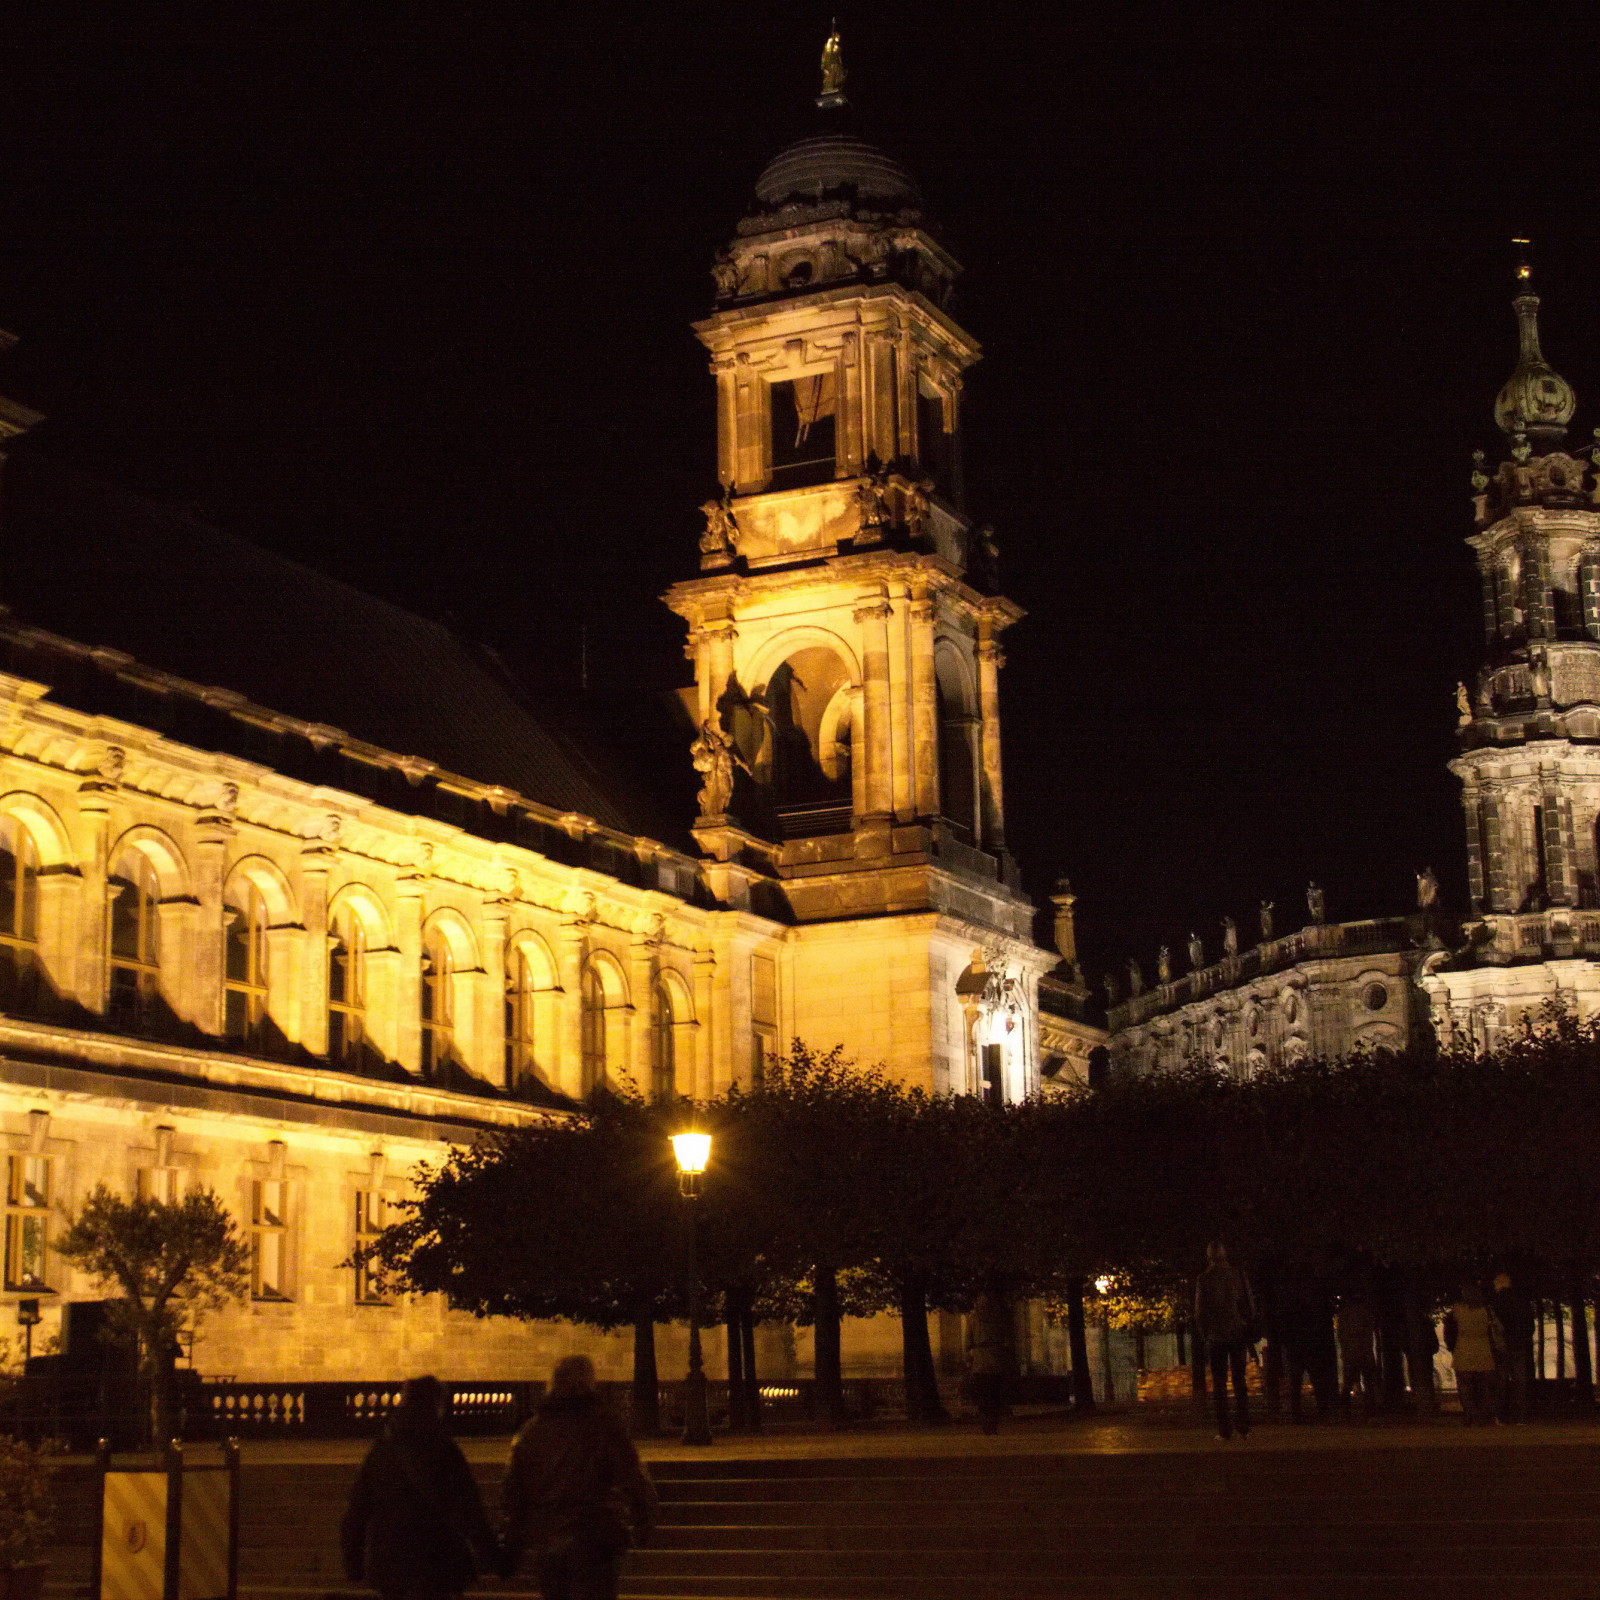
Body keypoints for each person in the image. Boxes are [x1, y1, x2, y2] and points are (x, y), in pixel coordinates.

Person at [502, 1355, 657, 1600]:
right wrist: (642, 1524)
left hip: (548, 1539)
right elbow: (633, 1478)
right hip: (593, 1537)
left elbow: (513, 1492)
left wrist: (513, 1545)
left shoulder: (530, 1431)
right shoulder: (604, 1425)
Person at [341, 1375, 501, 1600]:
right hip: (439, 1563)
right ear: (438, 1404)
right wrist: (493, 1557)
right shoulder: (445, 1450)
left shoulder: (382, 1451)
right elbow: (470, 1510)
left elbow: (356, 1512)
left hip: (392, 1564)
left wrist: (353, 1563)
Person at [1194, 1241, 1254, 1440]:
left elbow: (1200, 1312)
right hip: (1237, 1332)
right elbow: (1249, 1305)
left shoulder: (1204, 1279)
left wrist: (1206, 1333)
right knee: (1239, 1380)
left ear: (1209, 1256)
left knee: (1219, 1383)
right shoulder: (1238, 1275)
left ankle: (1224, 1429)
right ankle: (1243, 1425)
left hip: (1216, 1336)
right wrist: (1246, 1325)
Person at [1444, 1283, 1503, 1426]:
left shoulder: (1456, 1311)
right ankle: (1485, 1416)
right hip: (1484, 1352)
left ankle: (1470, 1415)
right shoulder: (1487, 1310)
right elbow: (1498, 1329)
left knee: (1465, 1387)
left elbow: (1450, 1333)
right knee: (1484, 1387)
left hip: (1463, 1351)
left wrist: (1452, 1347)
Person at [1490, 1271, 1534, 1422]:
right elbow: (1529, 1324)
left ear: (1499, 1284)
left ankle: (1500, 1416)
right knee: (1520, 1381)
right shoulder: (1522, 1300)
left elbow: (1494, 1326)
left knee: (1501, 1380)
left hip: (1502, 1345)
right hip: (1519, 1344)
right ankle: (1521, 1416)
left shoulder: (1496, 1302)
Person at [966, 1288, 1009, 1436]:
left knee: (983, 1395)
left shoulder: (972, 1318)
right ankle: (993, 1422)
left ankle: (987, 1423)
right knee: (994, 1394)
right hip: (995, 1361)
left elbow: (968, 1341)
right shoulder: (997, 1316)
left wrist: (969, 1357)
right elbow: (1004, 1337)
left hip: (980, 1363)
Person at [1336, 1289, 1382, 1418]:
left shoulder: (1345, 1314)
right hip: (1364, 1352)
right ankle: (1369, 1411)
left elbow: (1341, 1334)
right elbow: (1369, 1331)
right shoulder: (1366, 1313)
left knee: (1348, 1382)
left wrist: (1345, 1350)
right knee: (1368, 1383)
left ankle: (1346, 1411)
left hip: (1351, 1352)